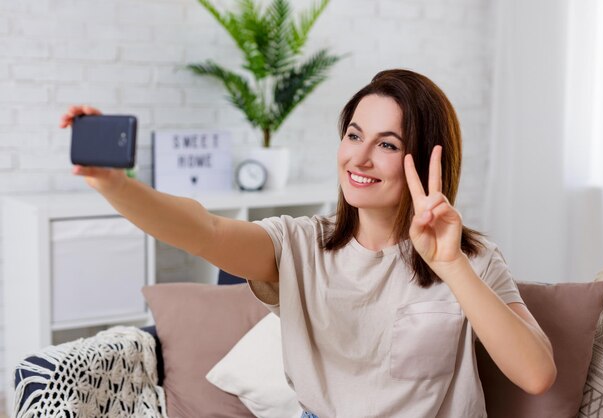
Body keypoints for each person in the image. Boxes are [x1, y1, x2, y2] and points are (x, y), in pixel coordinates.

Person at [60, 69, 557, 418]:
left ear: (425, 161)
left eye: (386, 144)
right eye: (354, 135)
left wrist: (450, 266)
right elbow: (204, 229)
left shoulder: (470, 258)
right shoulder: (299, 245)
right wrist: (114, 184)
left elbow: (536, 375)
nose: (358, 158)